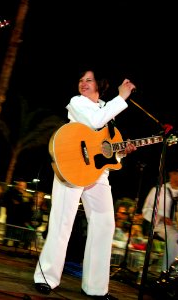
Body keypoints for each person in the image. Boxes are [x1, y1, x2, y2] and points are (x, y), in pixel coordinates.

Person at [33, 69, 136, 299]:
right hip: (72, 167)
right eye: (80, 80)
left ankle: (96, 288)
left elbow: (107, 152)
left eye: (88, 80)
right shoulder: (77, 102)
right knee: (62, 222)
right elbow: (93, 121)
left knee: (105, 224)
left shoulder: (108, 111)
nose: (82, 83)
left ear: (99, 84)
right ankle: (46, 278)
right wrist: (121, 97)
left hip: (97, 175)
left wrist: (123, 152)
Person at [142, 162, 178, 272]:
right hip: (161, 226)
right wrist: (161, 217)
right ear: (171, 174)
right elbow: (146, 210)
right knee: (175, 236)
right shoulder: (158, 191)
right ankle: (169, 272)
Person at [2, 180, 33, 248]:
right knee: (8, 234)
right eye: (20, 185)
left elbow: (27, 208)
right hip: (11, 217)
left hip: (20, 220)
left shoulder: (27, 196)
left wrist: (19, 203)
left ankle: (14, 249)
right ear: (17, 185)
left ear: (25, 187)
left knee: (17, 237)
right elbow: (8, 203)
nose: (21, 187)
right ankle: (3, 247)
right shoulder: (11, 193)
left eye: (23, 185)